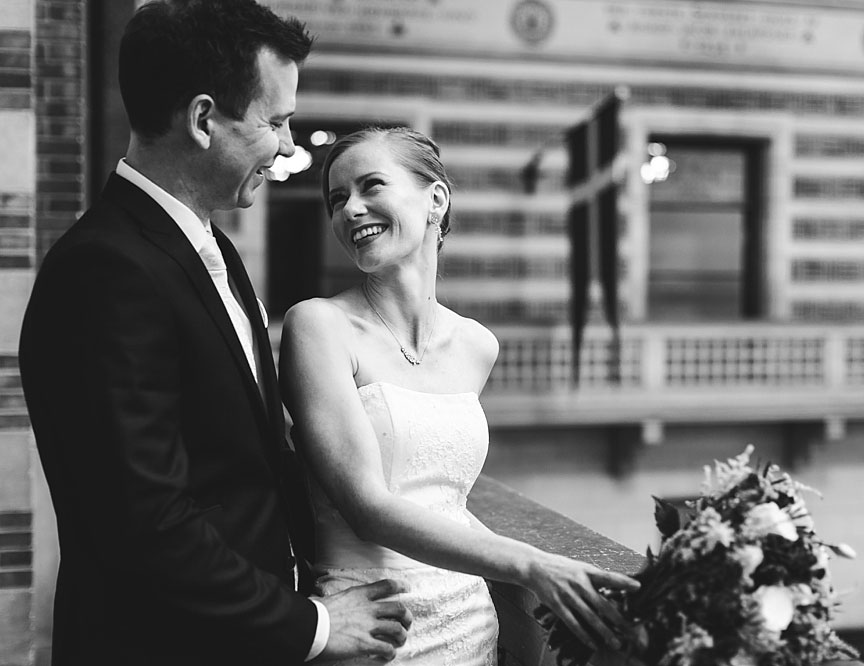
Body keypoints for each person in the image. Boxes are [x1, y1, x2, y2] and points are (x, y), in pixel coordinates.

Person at [18, 2, 412, 664]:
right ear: (204, 119)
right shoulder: (103, 270)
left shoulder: (211, 249)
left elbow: (242, 465)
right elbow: (145, 523)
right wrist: (312, 626)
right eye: (276, 121)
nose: (288, 146)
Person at [279, 126, 640, 664]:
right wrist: (534, 563)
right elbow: (368, 507)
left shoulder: (476, 345)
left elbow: (447, 500)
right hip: (375, 625)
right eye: (337, 199)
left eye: (371, 186)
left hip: (470, 618)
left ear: (436, 199)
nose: (351, 209)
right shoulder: (318, 325)